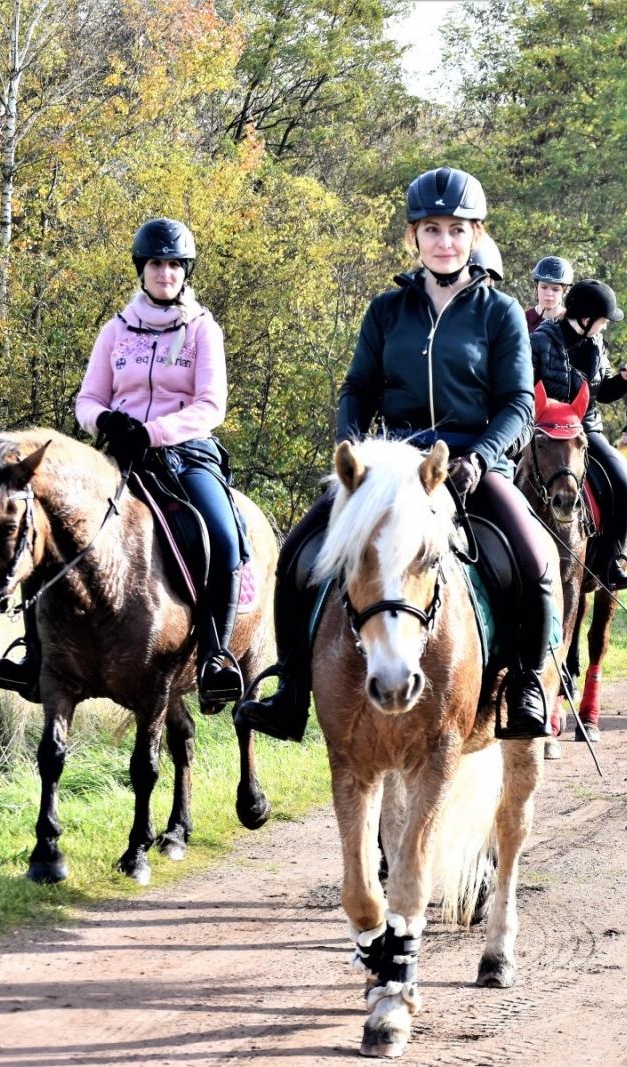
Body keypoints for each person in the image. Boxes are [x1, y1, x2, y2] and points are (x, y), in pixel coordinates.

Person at [236, 166, 554, 743]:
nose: (444, 241)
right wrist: (354, 456)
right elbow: (358, 389)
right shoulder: (386, 310)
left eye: (456, 229)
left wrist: (479, 457)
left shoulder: (500, 312)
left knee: (533, 562)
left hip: (471, 464)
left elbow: (517, 405)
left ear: (476, 234)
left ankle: (528, 683)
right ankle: (290, 691)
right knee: (300, 553)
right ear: (413, 237)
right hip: (390, 466)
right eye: (431, 229)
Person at [23, 218, 246, 710]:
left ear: (185, 272)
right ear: (141, 270)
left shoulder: (203, 329)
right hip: (119, 455)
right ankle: (32, 653)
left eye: (173, 265)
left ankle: (215, 656)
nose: (164, 273)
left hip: (185, 454)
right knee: (50, 527)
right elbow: (87, 398)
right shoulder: (115, 329)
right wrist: (105, 421)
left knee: (224, 537)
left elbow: (211, 406)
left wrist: (153, 432)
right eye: (155, 264)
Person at [530, 278, 627, 590]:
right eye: (603, 320)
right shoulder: (540, 341)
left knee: (623, 482)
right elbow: (523, 391)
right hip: (545, 432)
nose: (605, 326)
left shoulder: (596, 344)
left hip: (586, 430)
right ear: (585, 317)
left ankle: (612, 563)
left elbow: (602, 391)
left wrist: (624, 380)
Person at [525, 255, 572, 332]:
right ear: (536, 287)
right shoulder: (523, 320)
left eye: (555, 289)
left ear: (565, 290)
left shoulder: (572, 323)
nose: (549, 293)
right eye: (544, 287)